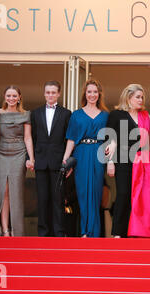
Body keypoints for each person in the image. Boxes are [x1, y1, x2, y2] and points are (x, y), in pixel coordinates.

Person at [106, 84, 150, 238]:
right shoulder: (116, 114)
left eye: (142, 97)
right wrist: (110, 162)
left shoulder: (146, 116)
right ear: (128, 97)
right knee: (123, 194)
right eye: (138, 96)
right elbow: (112, 140)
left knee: (140, 196)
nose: (140, 99)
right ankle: (118, 232)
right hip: (122, 160)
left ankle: (136, 232)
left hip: (143, 161)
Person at [63, 79, 109, 238]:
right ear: (85, 94)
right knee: (82, 193)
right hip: (81, 153)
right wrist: (66, 161)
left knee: (95, 193)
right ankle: (84, 232)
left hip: (98, 153)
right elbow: (71, 139)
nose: (92, 95)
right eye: (89, 92)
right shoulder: (76, 115)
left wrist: (110, 161)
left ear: (99, 94)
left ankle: (94, 233)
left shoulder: (105, 115)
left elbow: (110, 141)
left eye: (95, 92)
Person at [0, 85, 35, 236]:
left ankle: (17, 230)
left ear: (19, 97)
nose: (11, 98)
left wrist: (31, 158)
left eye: (14, 96)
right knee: (4, 190)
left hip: (19, 152)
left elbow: (27, 138)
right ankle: (5, 229)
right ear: (4, 97)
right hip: (2, 152)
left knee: (16, 191)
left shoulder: (26, 114)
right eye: (9, 95)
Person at [31, 81, 71, 237]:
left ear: (59, 94)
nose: (50, 95)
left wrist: (68, 162)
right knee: (42, 199)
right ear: (44, 93)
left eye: (53, 92)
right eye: (47, 92)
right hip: (40, 161)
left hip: (58, 161)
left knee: (58, 199)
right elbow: (32, 138)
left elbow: (68, 139)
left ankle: (59, 233)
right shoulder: (35, 113)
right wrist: (31, 158)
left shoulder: (66, 113)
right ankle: (43, 233)